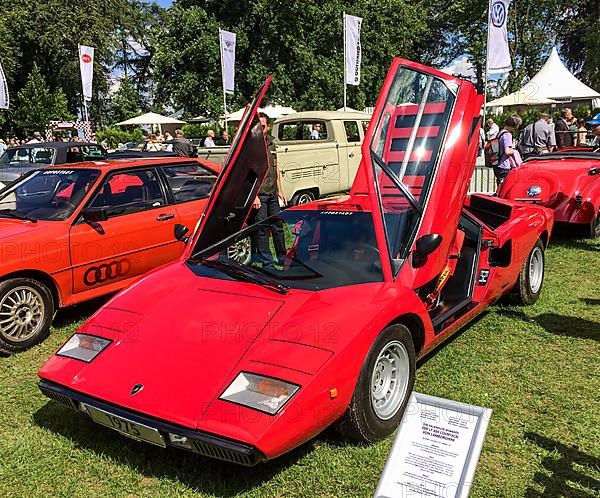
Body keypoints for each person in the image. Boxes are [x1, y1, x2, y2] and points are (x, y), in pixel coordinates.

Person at [250, 112, 286, 266]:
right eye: (259, 126)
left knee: (278, 226)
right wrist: (254, 196)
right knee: (262, 229)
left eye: (263, 126)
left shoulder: (272, 143)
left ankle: (283, 257)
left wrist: (280, 189)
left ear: (268, 127)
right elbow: (249, 173)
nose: (261, 129)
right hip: (261, 194)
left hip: (272, 193)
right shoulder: (252, 144)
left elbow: (276, 167)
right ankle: (267, 261)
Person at [494, 115, 523, 185]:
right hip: (504, 165)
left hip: (498, 165)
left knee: (500, 187)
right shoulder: (507, 135)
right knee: (505, 187)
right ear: (514, 125)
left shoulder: (500, 133)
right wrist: (515, 151)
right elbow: (507, 151)